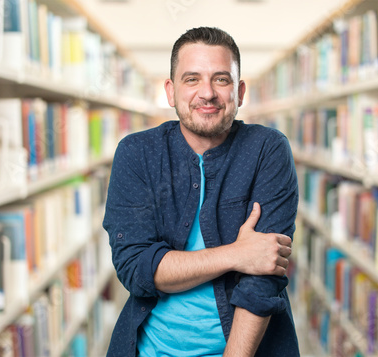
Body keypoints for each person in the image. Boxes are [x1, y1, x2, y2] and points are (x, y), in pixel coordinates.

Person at [103, 26, 300, 357]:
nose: (207, 93)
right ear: (171, 91)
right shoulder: (136, 153)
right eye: (191, 79)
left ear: (240, 91)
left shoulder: (268, 149)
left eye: (221, 79)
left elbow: (264, 276)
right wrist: (239, 254)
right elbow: (137, 269)